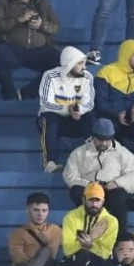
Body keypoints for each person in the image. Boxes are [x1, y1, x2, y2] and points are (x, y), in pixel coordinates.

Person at [0, 0, 60, 103]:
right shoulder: (3, 1)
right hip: (14, 50)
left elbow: (55, 27)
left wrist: (41, 25)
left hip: (39, 51)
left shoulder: (42, 2)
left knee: (62, 61)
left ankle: (26, 93)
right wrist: (18, 19)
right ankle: (9, 95)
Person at [37, 46, 97, 174]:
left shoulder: (87, 77)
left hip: (76, 120)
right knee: (48, 118)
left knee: (91, 117)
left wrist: (78, 110)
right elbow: (46, 103)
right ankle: (50, 163)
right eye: (80, 63)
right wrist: (67, 109)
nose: (84, 67)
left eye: (84, 63)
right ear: (70, 64)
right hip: (54, 120)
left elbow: (89, 103)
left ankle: (92, 162)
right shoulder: (50, 76)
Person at [61, 183, 120, 266]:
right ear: (83, 200)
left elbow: (105, 254)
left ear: (103, 201)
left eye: (98, 200)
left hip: (98, 263)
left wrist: (89, 246)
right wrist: (91, 237)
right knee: (81, 256)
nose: (94, 204)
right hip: (75, 261)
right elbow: (68, 250)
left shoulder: (111, 221)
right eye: (91, 200)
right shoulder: (70, 217)